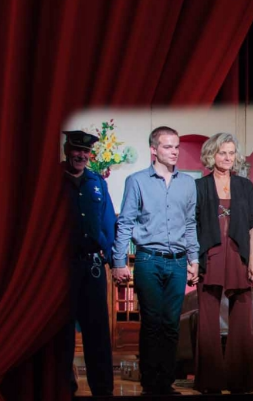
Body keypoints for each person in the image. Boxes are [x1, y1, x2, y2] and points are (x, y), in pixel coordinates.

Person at [112, 126, 200, 395]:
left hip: (178, 261)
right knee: (152, 322)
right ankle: (151, 384)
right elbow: (125, 222)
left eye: (176, 146)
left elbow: (190, 223)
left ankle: (166, 382)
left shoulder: (187, 183)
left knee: (171, 323)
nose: (174, 151)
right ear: (153, 150)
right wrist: (119, 261)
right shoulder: (137, 181)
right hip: (149, 259)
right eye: (167, 146)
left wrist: (194, 258)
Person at [193, 133, 253, 394]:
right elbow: (192, 225)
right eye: (223, 152)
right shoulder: (200, 186)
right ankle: (210, 381)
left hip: (238, 253)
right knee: (208, 318)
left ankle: (240, 379)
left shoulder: (245, 185)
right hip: (210, 253)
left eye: (232, 153)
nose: (228, 157)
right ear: (212, 155)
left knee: (242, 314)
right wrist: (193, 261)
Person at [60, 130, 125, 396]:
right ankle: (63, 388)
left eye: (86, 152)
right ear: (67, 150)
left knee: (97, 332)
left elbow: (109, 222)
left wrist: (112, 259)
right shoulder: (52, 179)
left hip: (93, 268)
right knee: (62, 333)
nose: (81, 155)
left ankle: (103, 390)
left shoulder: (96, 181)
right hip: (61, 269)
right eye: (77, 150)